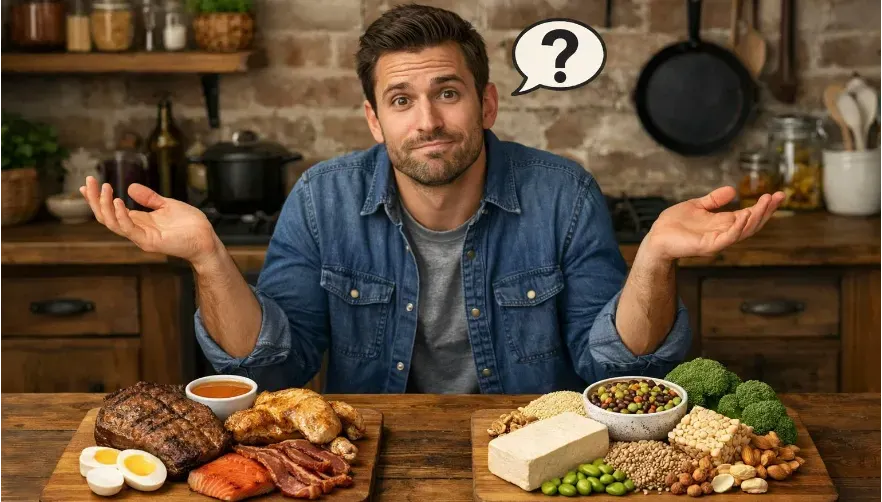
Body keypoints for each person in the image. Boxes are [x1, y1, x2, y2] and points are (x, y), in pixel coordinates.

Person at [79, 4, 783, 394]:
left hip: (533, 461)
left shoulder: (562, 193)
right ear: (373, 119)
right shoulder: (323, 197)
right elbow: (270, 367)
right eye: (401, 99)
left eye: (447, 93)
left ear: (485, 104)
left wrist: (657, 256)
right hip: (371, 461)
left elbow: (618, 372)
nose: (428, 121)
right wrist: (207, 257)